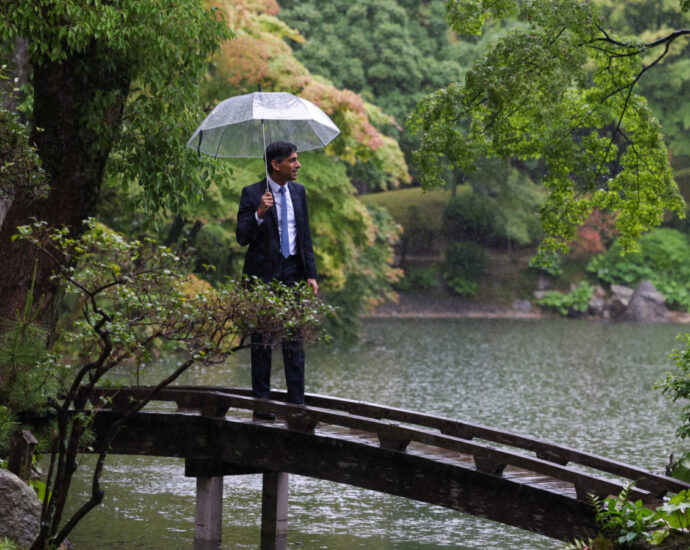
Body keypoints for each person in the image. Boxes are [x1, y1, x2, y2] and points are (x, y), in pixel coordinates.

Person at [235, 141, 318, 419]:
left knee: (295, 342)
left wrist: (311, 274)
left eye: (297, 160)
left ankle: (296, 407)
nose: (298, 165)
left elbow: (304, 236)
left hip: (294, 273)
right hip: (263, 278)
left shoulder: (299, 192)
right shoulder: (252, 194)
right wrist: (260, 213)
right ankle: (262, 408)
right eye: (293, 160)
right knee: (262, 344)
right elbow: (242, 237)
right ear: (276, 164)